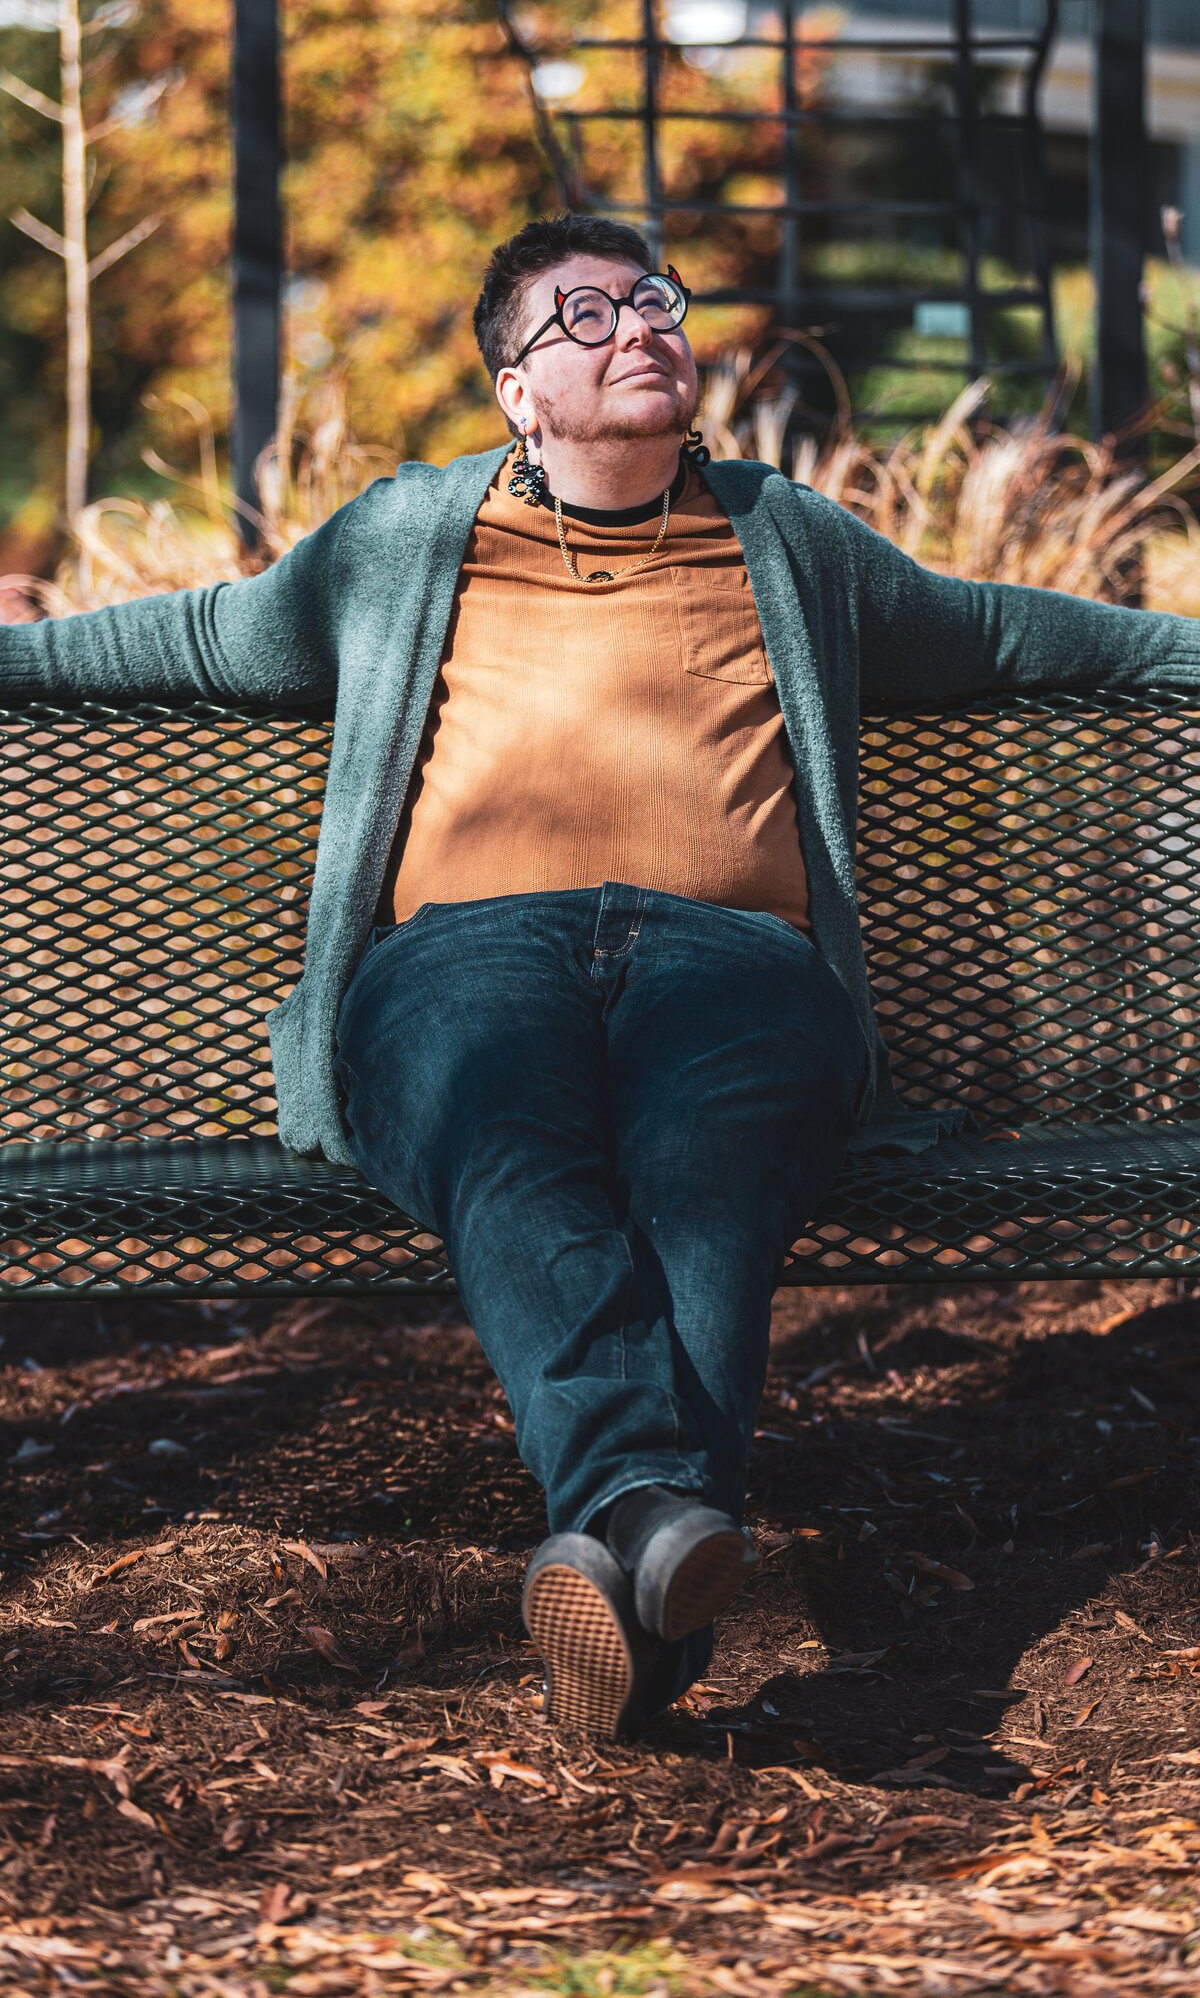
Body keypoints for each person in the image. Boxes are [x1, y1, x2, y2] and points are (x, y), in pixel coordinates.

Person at [5, 213, 1200, 1738]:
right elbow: (191, 635)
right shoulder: (400, 540)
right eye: (587, 316)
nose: (640, 328)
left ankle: (625, 1540)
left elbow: (1010, 633)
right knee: (511, 1148)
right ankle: (652, 1516)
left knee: (718, 1186)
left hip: (738, 972)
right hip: (462, 962)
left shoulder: (790, 537)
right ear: (517, 390)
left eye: (657, 302)